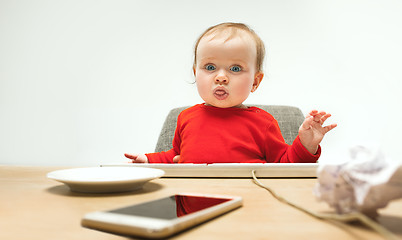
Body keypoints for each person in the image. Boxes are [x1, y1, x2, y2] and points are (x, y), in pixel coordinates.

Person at [125, 22, 337, 164]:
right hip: (192, 219)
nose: (221, 77)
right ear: (195, 73)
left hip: (249, 214)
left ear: (255, 81)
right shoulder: (186, 118)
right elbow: (174, 157)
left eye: (235, 69)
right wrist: (147, 159)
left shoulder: (263, 123)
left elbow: (285, 164)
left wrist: (306, 145)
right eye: (209, 67)